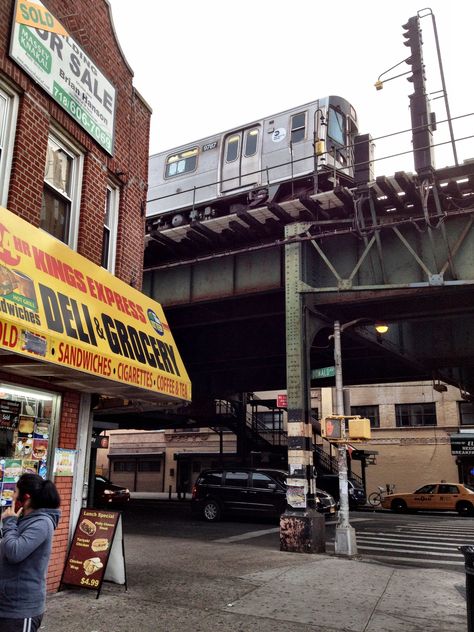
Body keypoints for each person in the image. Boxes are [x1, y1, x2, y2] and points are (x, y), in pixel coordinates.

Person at [0, 473, 61, 632]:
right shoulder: (22, 519)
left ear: (25, 497)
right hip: (6, 604)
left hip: (21, 610)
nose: (12, 496)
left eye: (15, 491)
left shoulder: (42, 522)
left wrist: (8, 522)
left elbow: (14, 552)